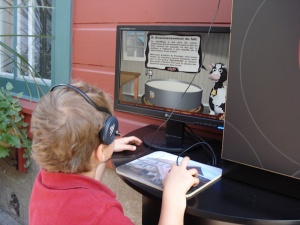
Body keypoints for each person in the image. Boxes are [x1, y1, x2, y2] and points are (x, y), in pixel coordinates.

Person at [29, 81, 199, 225]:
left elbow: (82, 188)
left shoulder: (44, 183)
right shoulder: (102, 215)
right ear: (101, 149)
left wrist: (103, 151)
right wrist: (174, 195)